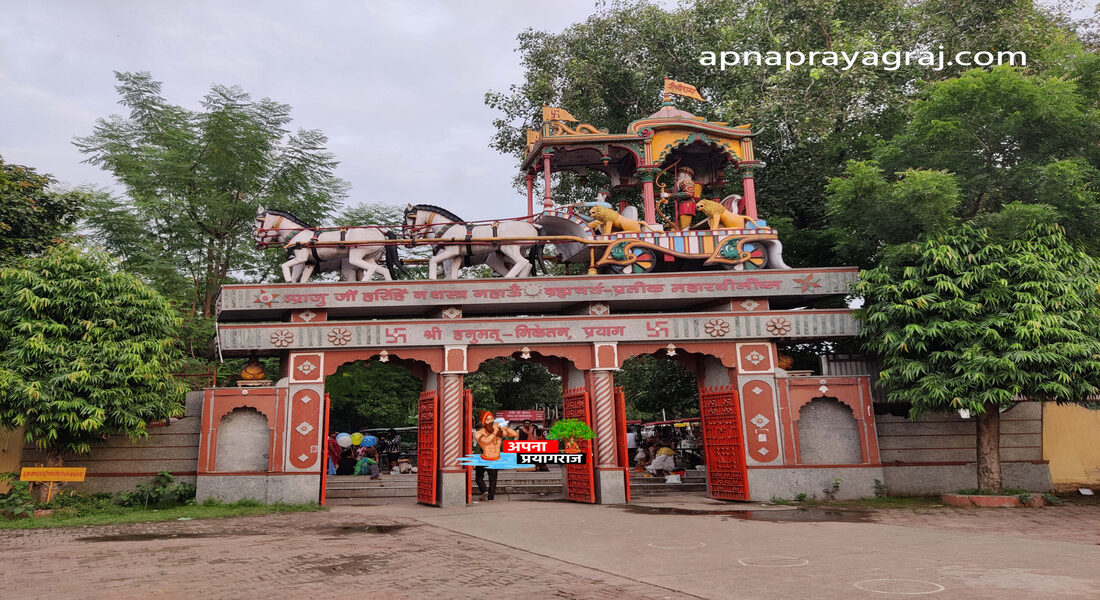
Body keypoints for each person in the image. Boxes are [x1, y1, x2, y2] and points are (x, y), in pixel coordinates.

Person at [473, 410, 518, 501]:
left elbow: (479, 447)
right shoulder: (499, 434)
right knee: (493, 479)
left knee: (479, 477)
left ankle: (484, 490)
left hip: (483, 458)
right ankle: (491, 497)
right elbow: (513, 436)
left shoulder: (481, 433)